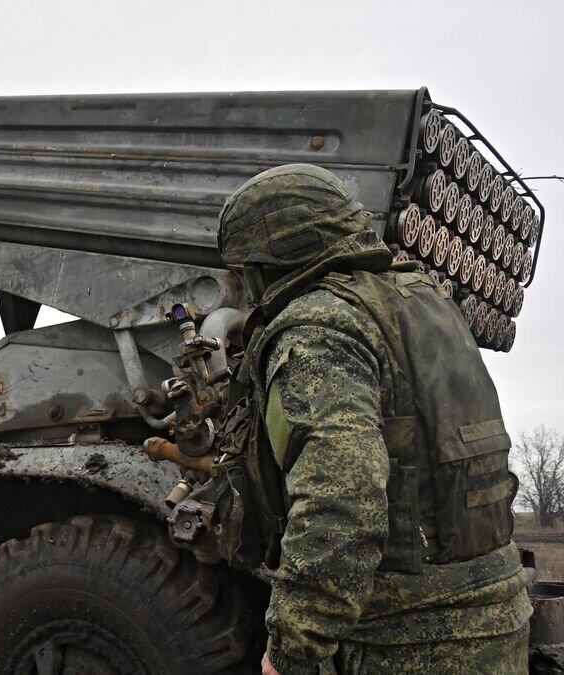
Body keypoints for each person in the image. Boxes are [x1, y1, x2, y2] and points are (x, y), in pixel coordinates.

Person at [146, 164, 531, 674]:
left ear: (270, 259)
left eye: (247, 267)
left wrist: (293, 646)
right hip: (495, 616)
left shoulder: (319, 326)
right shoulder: (425, 301)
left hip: (405, 641)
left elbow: (341, 500)